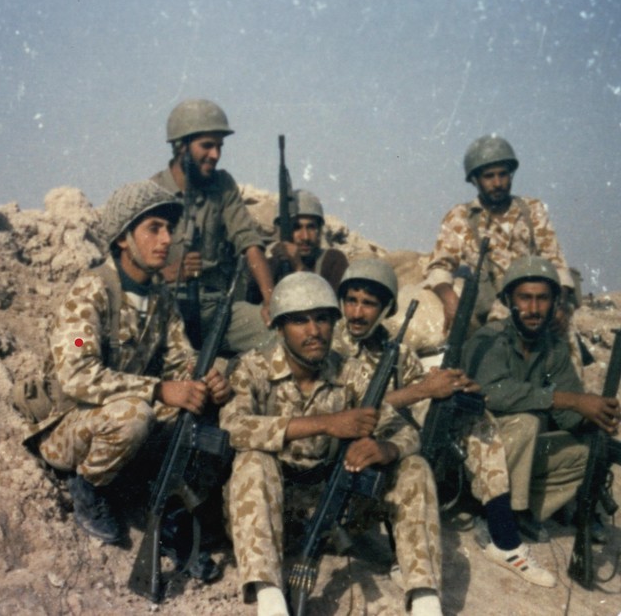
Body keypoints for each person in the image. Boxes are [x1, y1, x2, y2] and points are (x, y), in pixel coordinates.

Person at [23, 181, 231, 574]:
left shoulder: (159, 298)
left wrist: (206, 378)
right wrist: (158, 389)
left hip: (122, 416)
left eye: (169, 229)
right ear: (123, 238)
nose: (166, 240)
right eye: (154, 228)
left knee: (204, 411)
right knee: (136, 414)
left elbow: (180, 358)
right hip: (69, 427)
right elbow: (77, 374)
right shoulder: (90, 293)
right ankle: (88, 487)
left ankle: (173, 515)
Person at [221, 272, 444, 616]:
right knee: (252, 460)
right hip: (271, 513)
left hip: (338, 510)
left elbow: (405, 430)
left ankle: (425, 596)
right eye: (300, 321)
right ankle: (269, 595)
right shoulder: (252, 368)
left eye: (322, 319)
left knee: (413, 466)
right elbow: (233, 428)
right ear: (279, 328)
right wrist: (326, 423)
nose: (314, 331)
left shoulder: (350, 372)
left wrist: (385, 449)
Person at [332, 258, 556, 586]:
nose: (356, 312)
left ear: (386, 308)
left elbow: (420, 388)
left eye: (368, 303)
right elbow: (346, 410)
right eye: (351, 301)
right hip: (344, 456)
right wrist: (422, 390)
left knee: (469, 416)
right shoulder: (331, 344)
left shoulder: (398, 351)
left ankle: (504, 538)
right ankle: (401, 548)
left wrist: (452, 386)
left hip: (389, 443)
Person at [463, 256, 619, 541]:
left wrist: (596, 415)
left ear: (555, 303)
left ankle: (525, 508)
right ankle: (487, 509)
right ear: (508, 300)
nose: (533, 309)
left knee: (591, 449)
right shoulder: (489, 339)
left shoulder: (553, 348)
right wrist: (571, 400)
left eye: (542, 299)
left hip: (518, 457)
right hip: (477, 452)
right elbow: (492, 393)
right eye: (525, 298)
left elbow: (569, 416)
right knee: (526, 422)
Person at [151, 98, 276, 353]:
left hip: (217, 310)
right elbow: (131, 270)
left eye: (219, 146)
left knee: (281, 331)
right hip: (167, 308)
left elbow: (249, 242)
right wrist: (169, 274)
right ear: (180, 146)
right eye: (207, 146)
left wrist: (270, 300)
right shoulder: (152, 193)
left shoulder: (223, 185)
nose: (215, 155)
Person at [424, 135, 576, 333]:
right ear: (475, 180)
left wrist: (560, 304)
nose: (497, 183)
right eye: (489, 176)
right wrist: (449, 299)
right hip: (490, 313)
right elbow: (439, 267)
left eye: (503, 174)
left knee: (570, 338)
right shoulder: (460, 217)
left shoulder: (533, 210)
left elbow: (557, 264)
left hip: (535, 306)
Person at [247, 189, 349, 303]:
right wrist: (274, 265)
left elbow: (329, 304)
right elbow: (252, 300)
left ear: (319, 230)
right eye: (296, 228)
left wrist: (298, 266)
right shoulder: (270, 265)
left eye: (311, 227)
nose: (305, 237)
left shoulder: (333, 260)